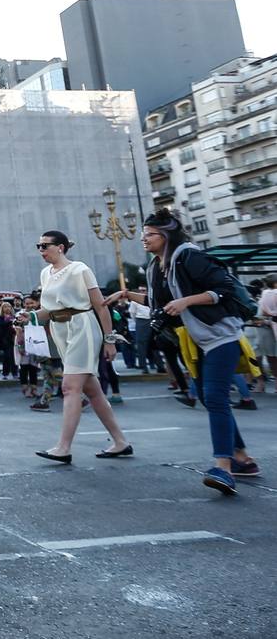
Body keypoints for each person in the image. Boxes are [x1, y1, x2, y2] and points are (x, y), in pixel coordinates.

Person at [108, 211, 262, 493]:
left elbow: (223, 288)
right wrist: (127, 295)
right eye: (143, 233)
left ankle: (223, 467)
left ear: (166, 235)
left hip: (222, 336)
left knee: (215, 397)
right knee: (207, 396)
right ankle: (242, 459)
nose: (143, 238)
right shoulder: (159, 266)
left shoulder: (190, 256)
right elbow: (160, 303)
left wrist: (187, 301)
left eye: (149, 234)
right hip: (198, 341)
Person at [31, 231, 132, 463]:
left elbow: (101, 306)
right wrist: (29, 316)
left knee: (69, 387)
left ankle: (63, 447)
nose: (41, 250)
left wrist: (109, 339)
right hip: (60, 330)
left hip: (82, 327)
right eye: (39, 245)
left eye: (45, 245)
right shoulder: (46, 273)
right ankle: (120, 442)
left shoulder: (80, 269)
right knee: (93, 390)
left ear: (62, 247)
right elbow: (49, 309)